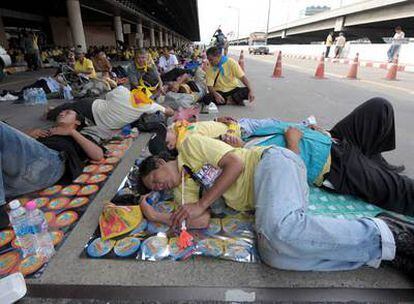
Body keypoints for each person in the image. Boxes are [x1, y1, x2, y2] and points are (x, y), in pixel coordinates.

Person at [137, 132, 414, 276]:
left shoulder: (191, 147)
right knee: (274, 256)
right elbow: (201, 221)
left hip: (271, 164)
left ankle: (386, 233)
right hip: (275, 195)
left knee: (279, 230)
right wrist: (156, 215)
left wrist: (203, 202)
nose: (159, 187)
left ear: (161, 162)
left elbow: (235, 163)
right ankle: (381, 251)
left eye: (155, 179)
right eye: (154, 188)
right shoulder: (181, 195)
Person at [148, 98, 414, 217]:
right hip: (330, 164)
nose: (160, 186)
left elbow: (262, 128)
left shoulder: (224, 138)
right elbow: (286, 169)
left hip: (330, 138)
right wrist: (293, 142)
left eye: (155, 180)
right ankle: (377, 172)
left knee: (379, 108)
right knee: (400, 191)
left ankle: (376, 163)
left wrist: (307, 127)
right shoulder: (198, 174)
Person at [0, 109, 104, 229]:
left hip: (50, 164)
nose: (62, 113)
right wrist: (28, 136)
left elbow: (98, 155)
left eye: (68, 113)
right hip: (17, 178)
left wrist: (71, 132)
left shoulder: (79, 136)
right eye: (61, 112)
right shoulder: (44, 132)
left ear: (77, 122)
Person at [46, 86, 174, 131]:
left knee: (69, 107)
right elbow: (170, 112)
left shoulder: (122, 91)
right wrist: (166, 108)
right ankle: (52, 112)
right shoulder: (149, 105)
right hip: (100, 123)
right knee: (70, 110)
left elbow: (107, 97)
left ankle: (51, 112)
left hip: (91, 107)